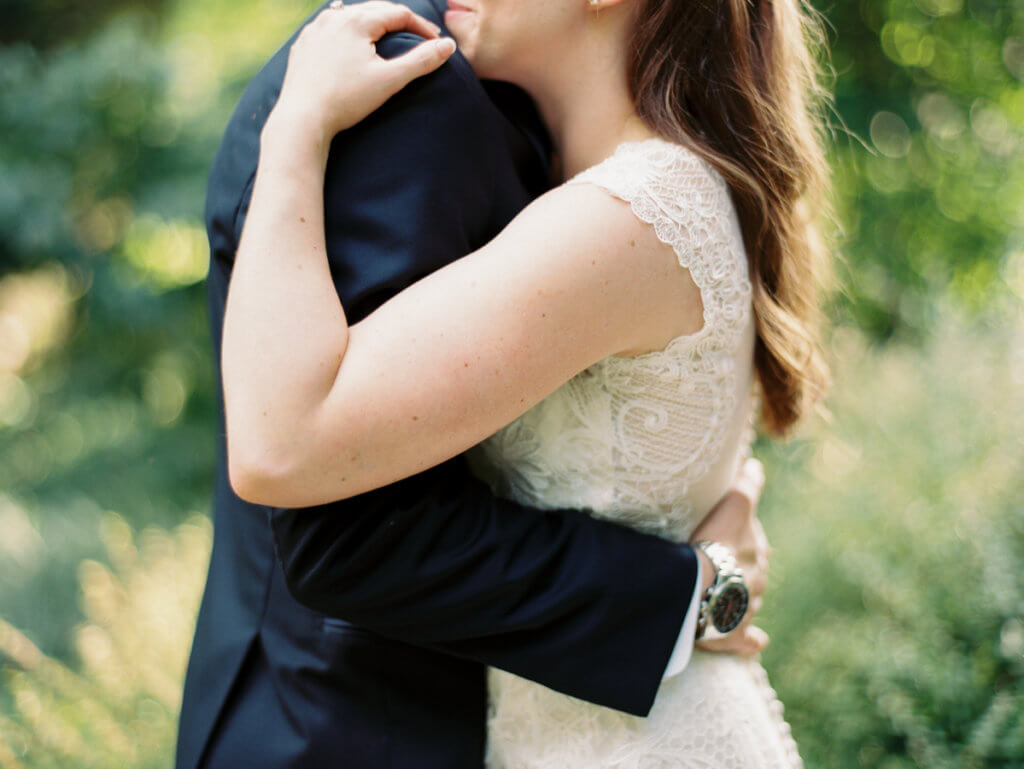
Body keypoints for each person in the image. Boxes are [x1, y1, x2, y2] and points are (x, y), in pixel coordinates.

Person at [218, 0, 834, 763]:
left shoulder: (634, 212)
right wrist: (701, 583)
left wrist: (297, 129)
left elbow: (280, 443)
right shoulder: (617, 189)